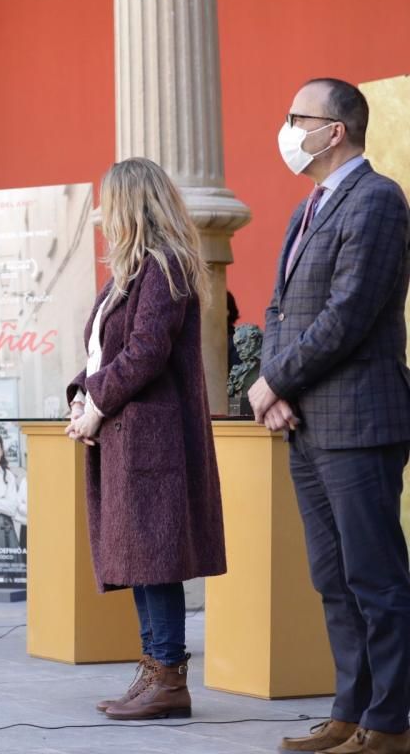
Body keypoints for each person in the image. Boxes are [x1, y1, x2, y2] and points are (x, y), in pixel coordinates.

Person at [248, 79, 410, 754]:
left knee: (375, 578)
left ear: (334, 129)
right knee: (332, 577)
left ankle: (391, 721)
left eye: (297, 118)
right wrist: (273, 386)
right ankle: (350, 709)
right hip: (307, 421)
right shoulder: (307, 207)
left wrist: (275, 378)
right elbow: (283, 309)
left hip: (359, 419)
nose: (288, 130)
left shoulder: (377, 201)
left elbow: (349, 314)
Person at [66, 157, 226, 721]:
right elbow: (102, 353)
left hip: (151, 440)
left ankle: (169, 676)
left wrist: (97, 406)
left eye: (111, 202)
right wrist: (81, 397)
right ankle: (153, 669)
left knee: (154, 557)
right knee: (135, 556)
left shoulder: (166, 267)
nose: (105, 214)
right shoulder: (129, 274)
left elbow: (144, 353)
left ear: (134, 204)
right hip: (124, 436)